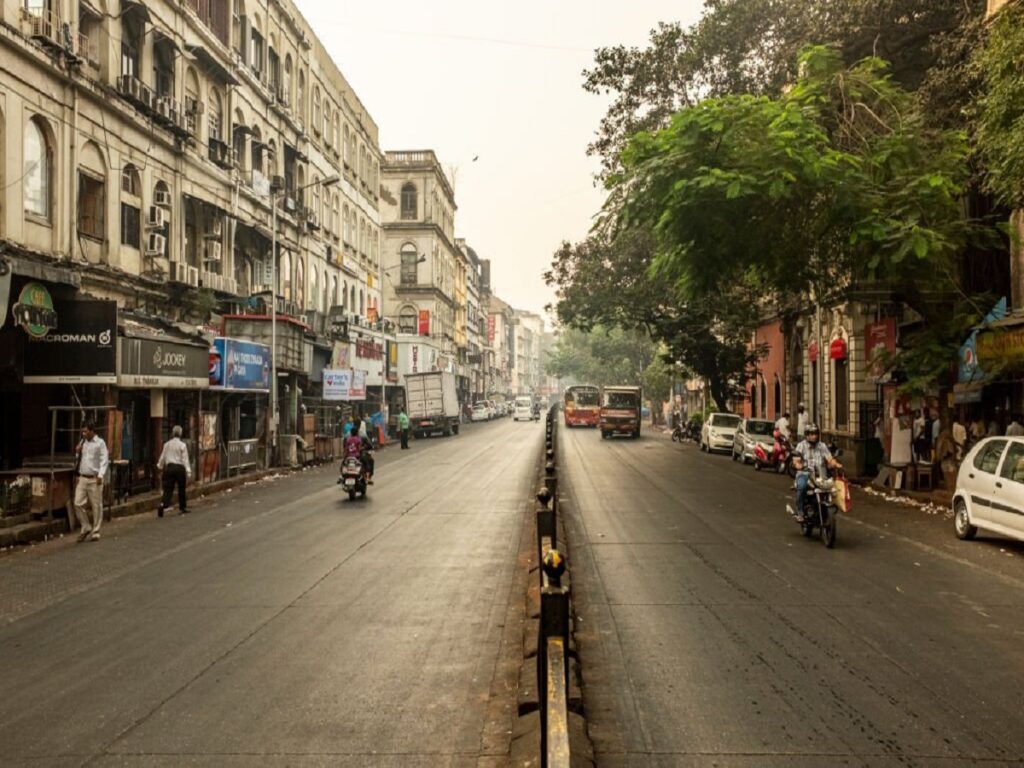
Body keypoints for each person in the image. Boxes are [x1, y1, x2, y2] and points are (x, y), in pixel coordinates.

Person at [791, 424, 842, 522]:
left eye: (815, 434)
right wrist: (798, 465)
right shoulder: (801, 445)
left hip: (820, 475)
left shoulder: (822, 446)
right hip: (805, 474)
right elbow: (796, 461)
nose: (814, 436)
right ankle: (800, 512)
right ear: (807, 435)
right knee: (801, 487)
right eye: (811, 434)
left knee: (832, 488)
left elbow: (830, 458)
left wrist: (836, 464)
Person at [74, 422, 109, 542]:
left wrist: (100, 474)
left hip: (94, 478)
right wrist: (77, 452)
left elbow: (104, 459)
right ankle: (85, 526)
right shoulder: (82, 442)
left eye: (86, 431)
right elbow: (79, 458)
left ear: (92, 431)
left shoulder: (100, 443)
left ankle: (96, 530)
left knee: (96, 505)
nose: (84, 434)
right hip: (83, 477)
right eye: (83, 431)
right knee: (77, 502)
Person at [157, 426, 191, 517]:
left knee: (168, 489)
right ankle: (182, 507)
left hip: (169, 468)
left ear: (172, 433)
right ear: (180, 434)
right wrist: (188, 471)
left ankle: (162, 504)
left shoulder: (167, 444)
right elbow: (185, 459)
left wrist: (159, 466)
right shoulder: (182, 445)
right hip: (179, 468)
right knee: (181, 488)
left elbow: (163, 457)